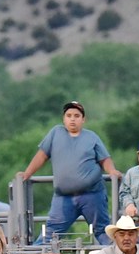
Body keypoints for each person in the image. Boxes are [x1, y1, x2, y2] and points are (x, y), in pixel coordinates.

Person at [20, 101, 122, 246]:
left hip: (92, 195)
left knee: (102, 231)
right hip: (64, 197)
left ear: (83, 119)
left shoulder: (91, 137)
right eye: (69, 115)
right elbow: (41, 155)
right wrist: (27, 173)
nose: (72, 119)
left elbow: (104, 159)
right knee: (51, 233)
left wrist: (112, 171)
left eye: (76, 115)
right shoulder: (56, 133)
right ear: (64, 119)